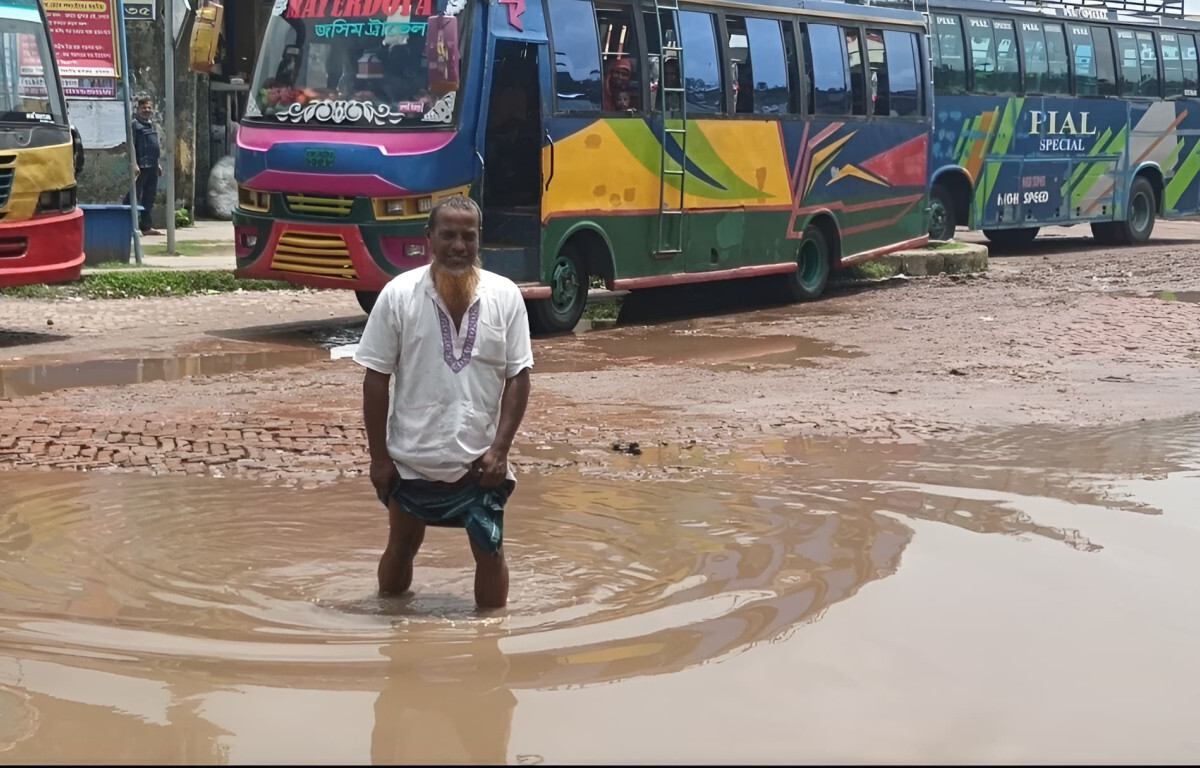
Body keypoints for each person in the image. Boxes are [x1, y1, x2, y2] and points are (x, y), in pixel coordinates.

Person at [354, 195, 534, 610]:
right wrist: (379, 458)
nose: (458, 246)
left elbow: (519, 376)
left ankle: (490, 637)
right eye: (448, 235)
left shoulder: (505, 296)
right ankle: (389, 621)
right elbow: (375, 379)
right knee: (402, 545)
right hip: (410, 459)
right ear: (429, 237)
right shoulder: (399, 295)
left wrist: (500, 450)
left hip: (480, 462)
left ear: (479, 239)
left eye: (468, 237)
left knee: (490, 549)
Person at [126, 98, 163, 236]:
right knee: (134, 196)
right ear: (138, 109)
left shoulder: (152, 125)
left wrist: (157, 163)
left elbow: (154, 146)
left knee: (149, 196)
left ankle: (146, 226)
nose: (147, 110)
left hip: (152, 165)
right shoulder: (134, 125)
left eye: (149, 108)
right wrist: (134, 164)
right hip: (141, 166)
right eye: (144, 108)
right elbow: (131, 146)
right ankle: (130, 225)